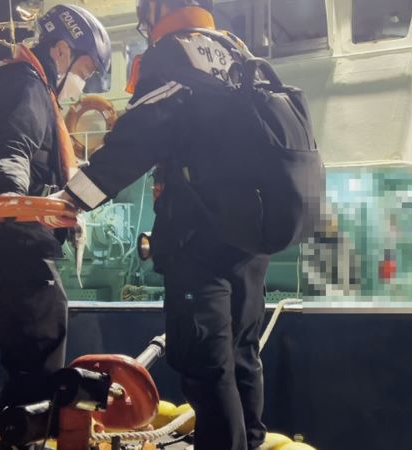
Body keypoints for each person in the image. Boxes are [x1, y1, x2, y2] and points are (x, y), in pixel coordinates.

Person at [53, 0, 320, 448]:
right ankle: (250, 442)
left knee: (206, 362)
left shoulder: (175, 52)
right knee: (241, 351)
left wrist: (76, 196)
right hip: (249, 237)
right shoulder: (235, 49)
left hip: (199, 240)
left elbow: (145, 130)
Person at [0, 3, 111, 432]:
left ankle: (9, 434)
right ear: (61, 51)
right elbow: (10, 149)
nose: (83, 82)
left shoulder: (31, 86)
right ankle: (16, 438)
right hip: (19, 245)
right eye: (85, 68)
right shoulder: (22, 83)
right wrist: (12, 196)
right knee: (36, 370)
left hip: (22, 242)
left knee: (32, 367)